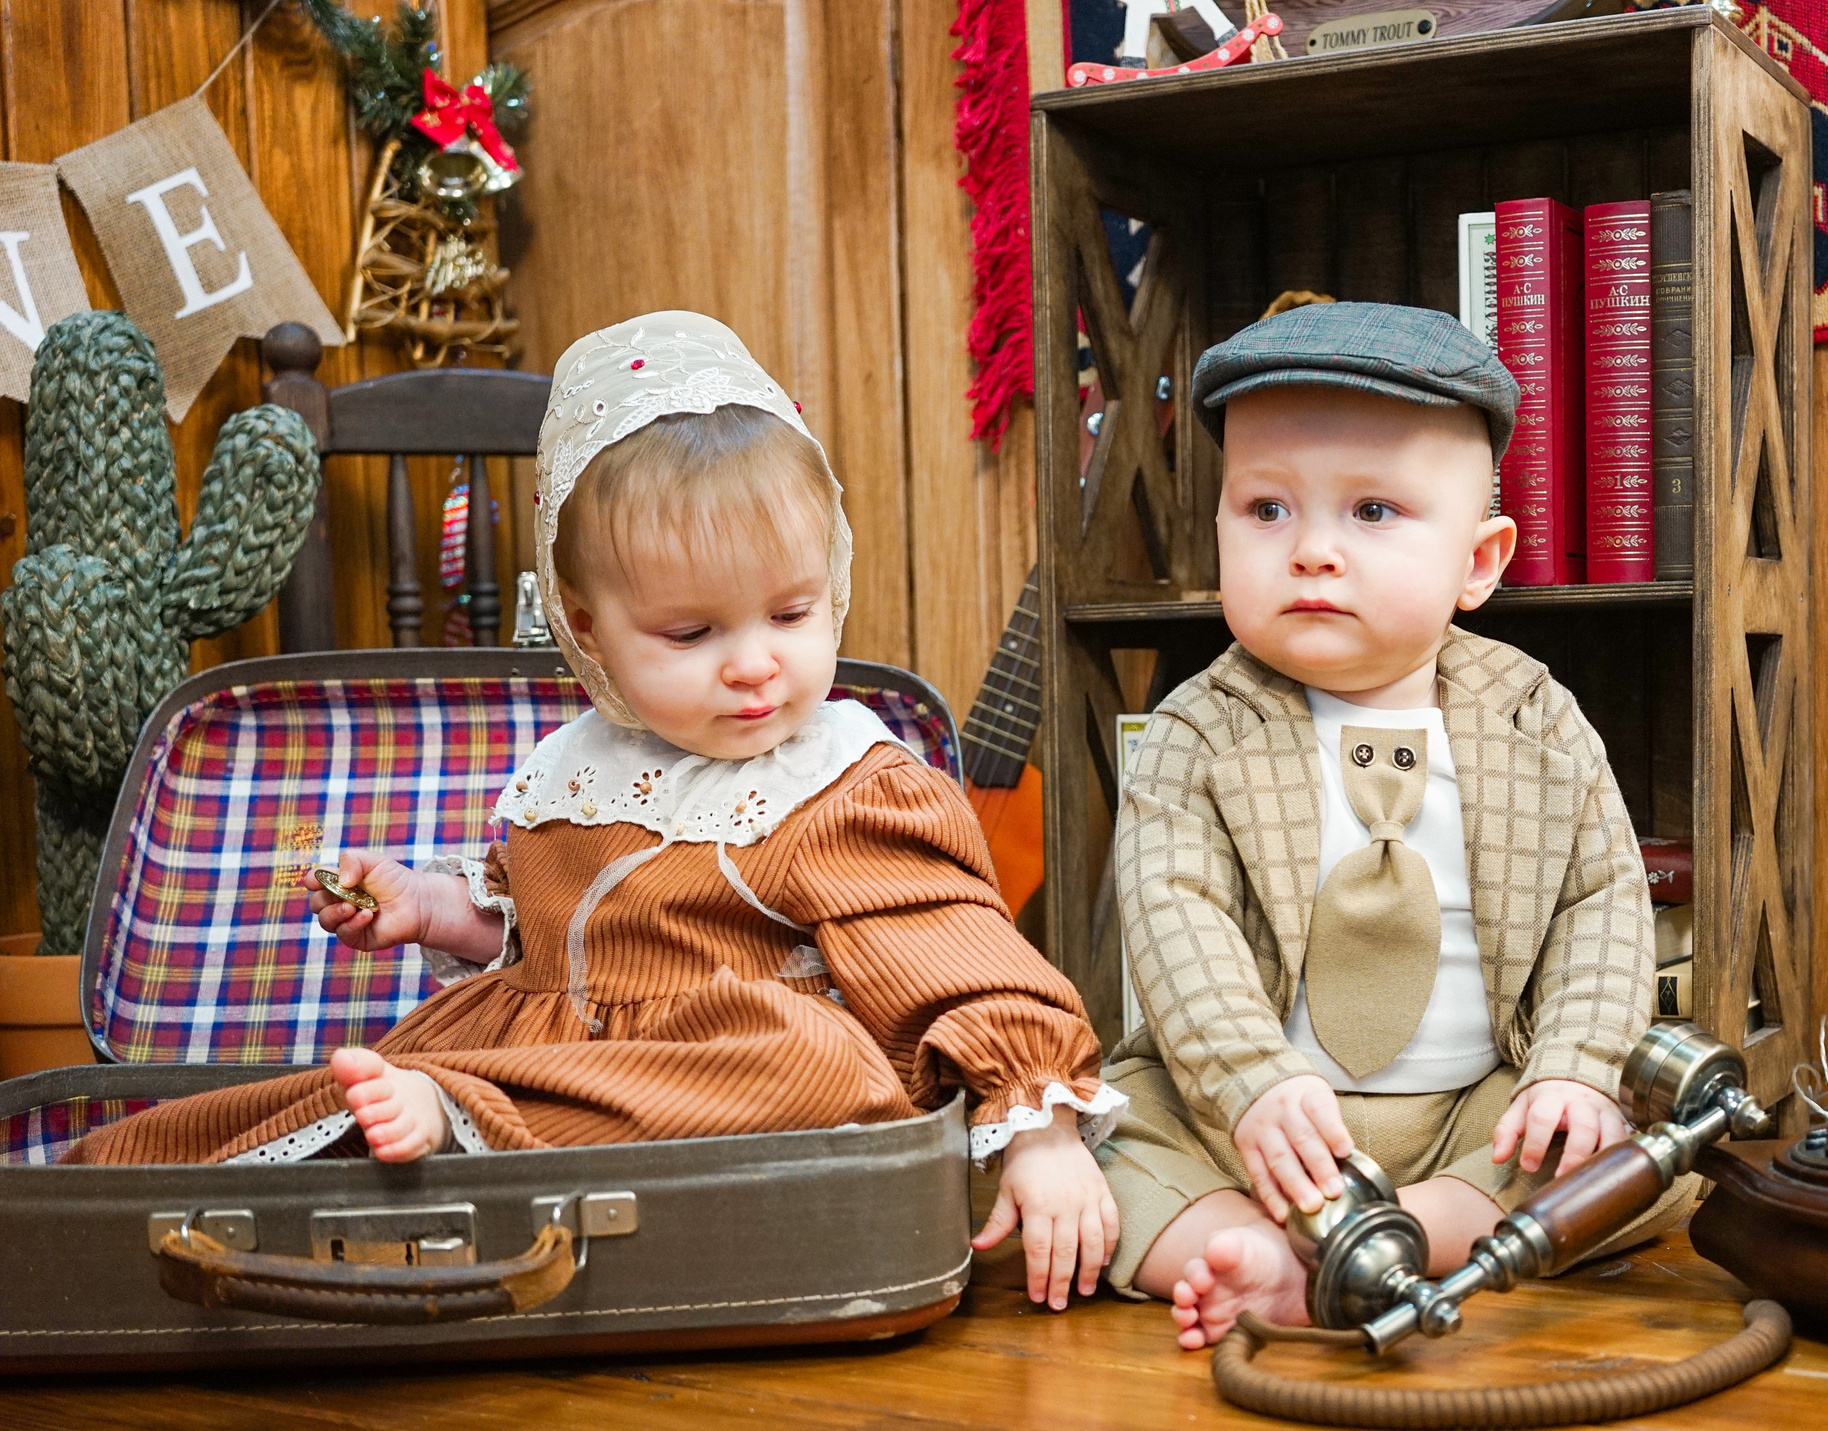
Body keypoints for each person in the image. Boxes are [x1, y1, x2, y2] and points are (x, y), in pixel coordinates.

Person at [68, 311, 1123, 1309]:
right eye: (690, 634)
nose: (755, 663)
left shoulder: (841, 777)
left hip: (722, 1074)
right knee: (326, 1094)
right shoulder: (575, 770)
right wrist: (432, 909)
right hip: (544, 1058)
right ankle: (120, 1191)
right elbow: (542, 931)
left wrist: (1040, 1130)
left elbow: (953, 953)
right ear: (586, 626)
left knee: (814, 1059)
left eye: (792, 612)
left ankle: (464, 1118)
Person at [1099, 300, 1685, 1348]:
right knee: (1095, 1138)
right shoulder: (1196, 731)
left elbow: (1600, 901)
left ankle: (1397, 1231)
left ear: (1479, 562)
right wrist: (1249, 1081)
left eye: (1372, 511)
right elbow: (1174, 916)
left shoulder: (1535, 718)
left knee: (1625, 1147)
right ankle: (1258, 1245)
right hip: (1252, 1123)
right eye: (1266, 509)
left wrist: (1573, 1065)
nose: (1313, 551)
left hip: (1473, 1111)